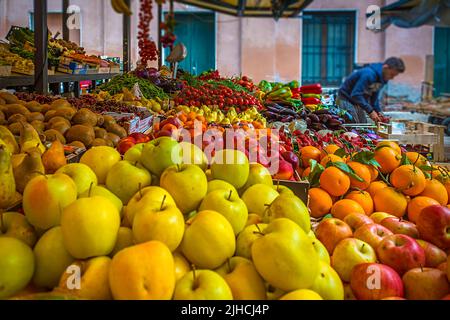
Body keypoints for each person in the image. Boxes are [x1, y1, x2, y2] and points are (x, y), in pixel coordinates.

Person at [337, 57, 405, 123]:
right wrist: (370, 111)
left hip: (357, 101)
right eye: (392, 74)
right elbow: (356, 94)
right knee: (353, 126)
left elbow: (374, 98)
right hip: (346, 99)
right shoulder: (369, 74)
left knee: (363, 125)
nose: (392, 78)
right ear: (385, 67)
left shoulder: (381, 79)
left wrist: (378, 112)